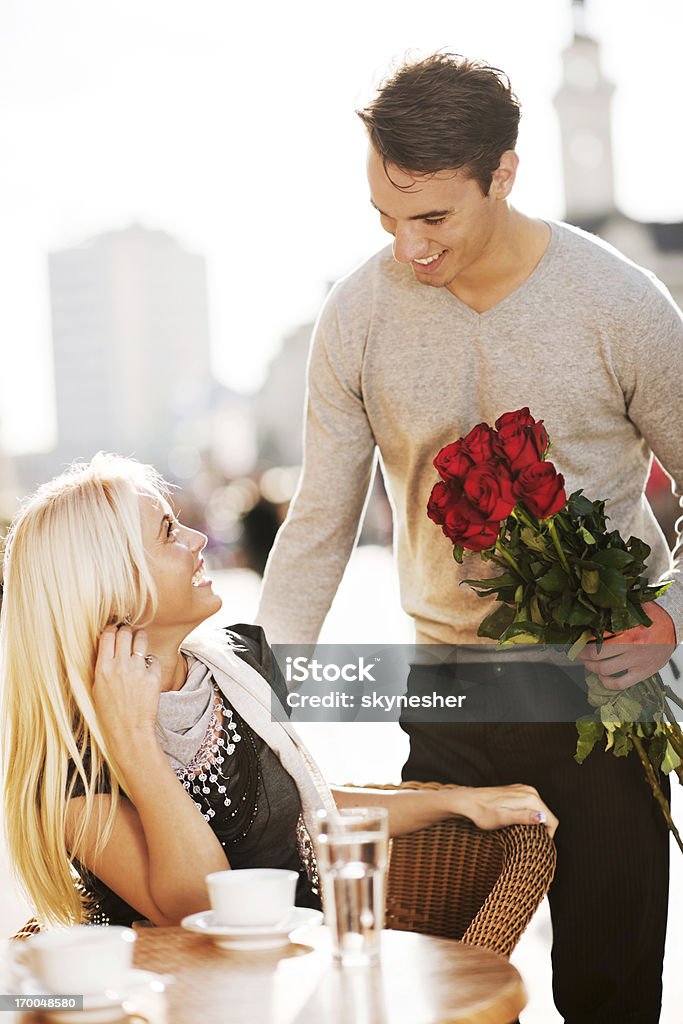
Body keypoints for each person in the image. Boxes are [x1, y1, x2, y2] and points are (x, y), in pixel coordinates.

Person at [256, 53, 683, 1023]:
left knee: (605, 992)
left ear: (503, 174)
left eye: (433, 217)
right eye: (383, 217)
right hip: (446, 692)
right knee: (429, 986)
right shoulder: (355, 316)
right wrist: (261, 689)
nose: (406, 246)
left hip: (601, 693)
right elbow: (319, 524)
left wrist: (666, 616)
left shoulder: (620, 306)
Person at [0, 453, 555, 929]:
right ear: (111, 582)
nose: (198, 540)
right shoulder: (73, 760)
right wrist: (134, 744)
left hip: (304, 964)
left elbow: (301, 801)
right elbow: (199, 905)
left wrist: (460, 802)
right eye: (169, 532)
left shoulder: (242, 662)